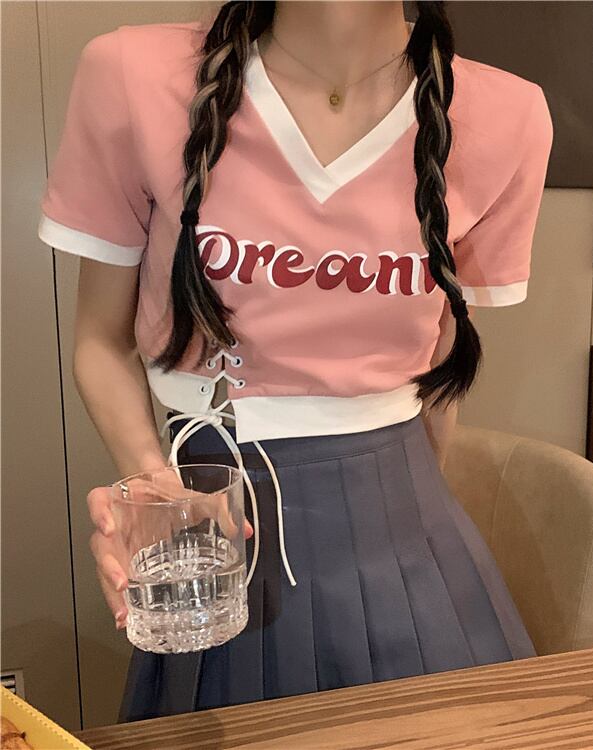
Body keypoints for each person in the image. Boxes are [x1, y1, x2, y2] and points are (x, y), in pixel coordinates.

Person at [37, 0, 553, 722]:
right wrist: (152, 488)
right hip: (215, 528)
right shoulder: (134, 75)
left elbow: (436, 371)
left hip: (409, 533)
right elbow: (100, 339)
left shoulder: (508, 115)